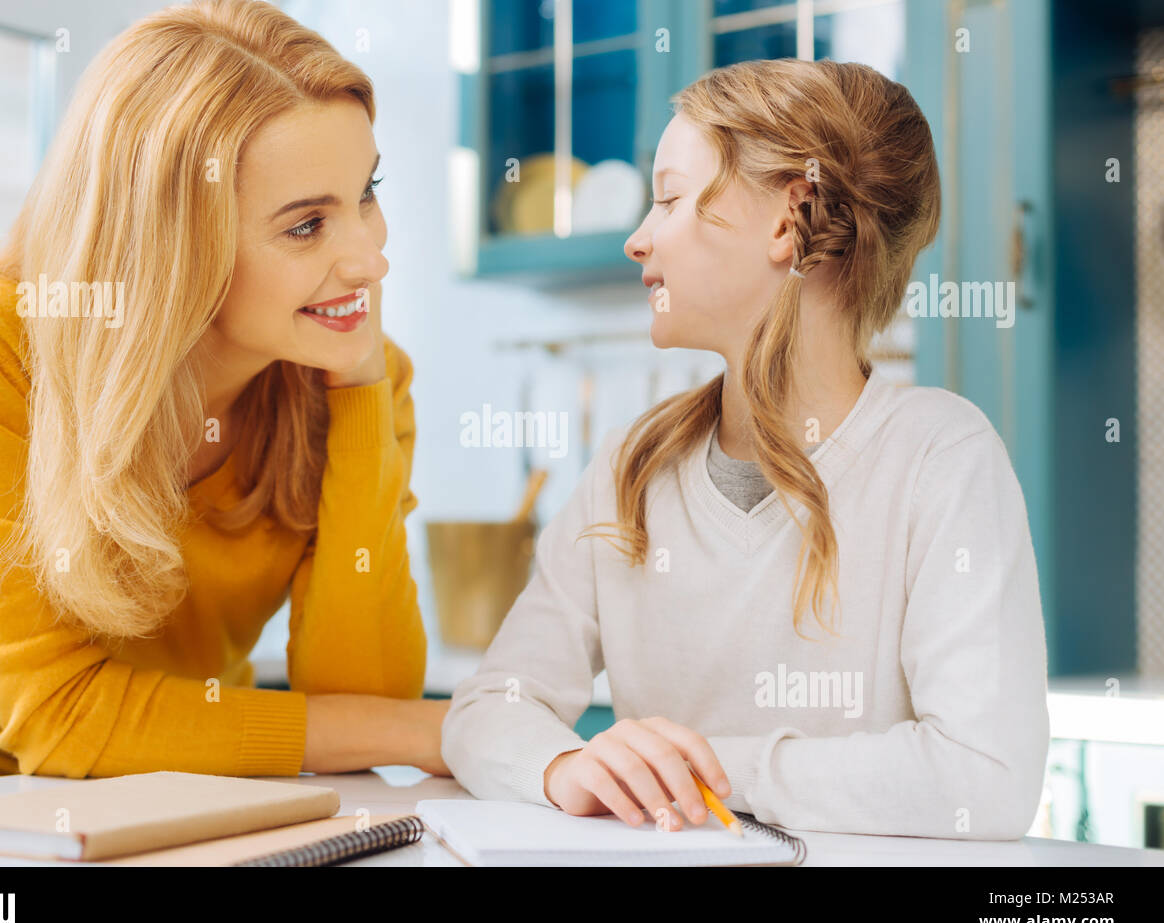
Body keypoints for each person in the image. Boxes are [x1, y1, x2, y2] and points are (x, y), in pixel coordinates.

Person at [441, 58, 1049, 840]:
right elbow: (489, 708)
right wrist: (565, 768)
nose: (637, 239)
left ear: (788, 219)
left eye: (667, 200)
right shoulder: (634, 466)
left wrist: (704, 773)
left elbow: (985, 778)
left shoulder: (942, 457)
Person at [0, 0, 449, 789]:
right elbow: (59, 718)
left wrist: (357, 392)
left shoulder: (362, 382)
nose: (370, 261)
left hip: (198, 788)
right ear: (176, 242)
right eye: (307, 226)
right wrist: (431, 731)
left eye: (366, 195)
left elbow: (367, 706)